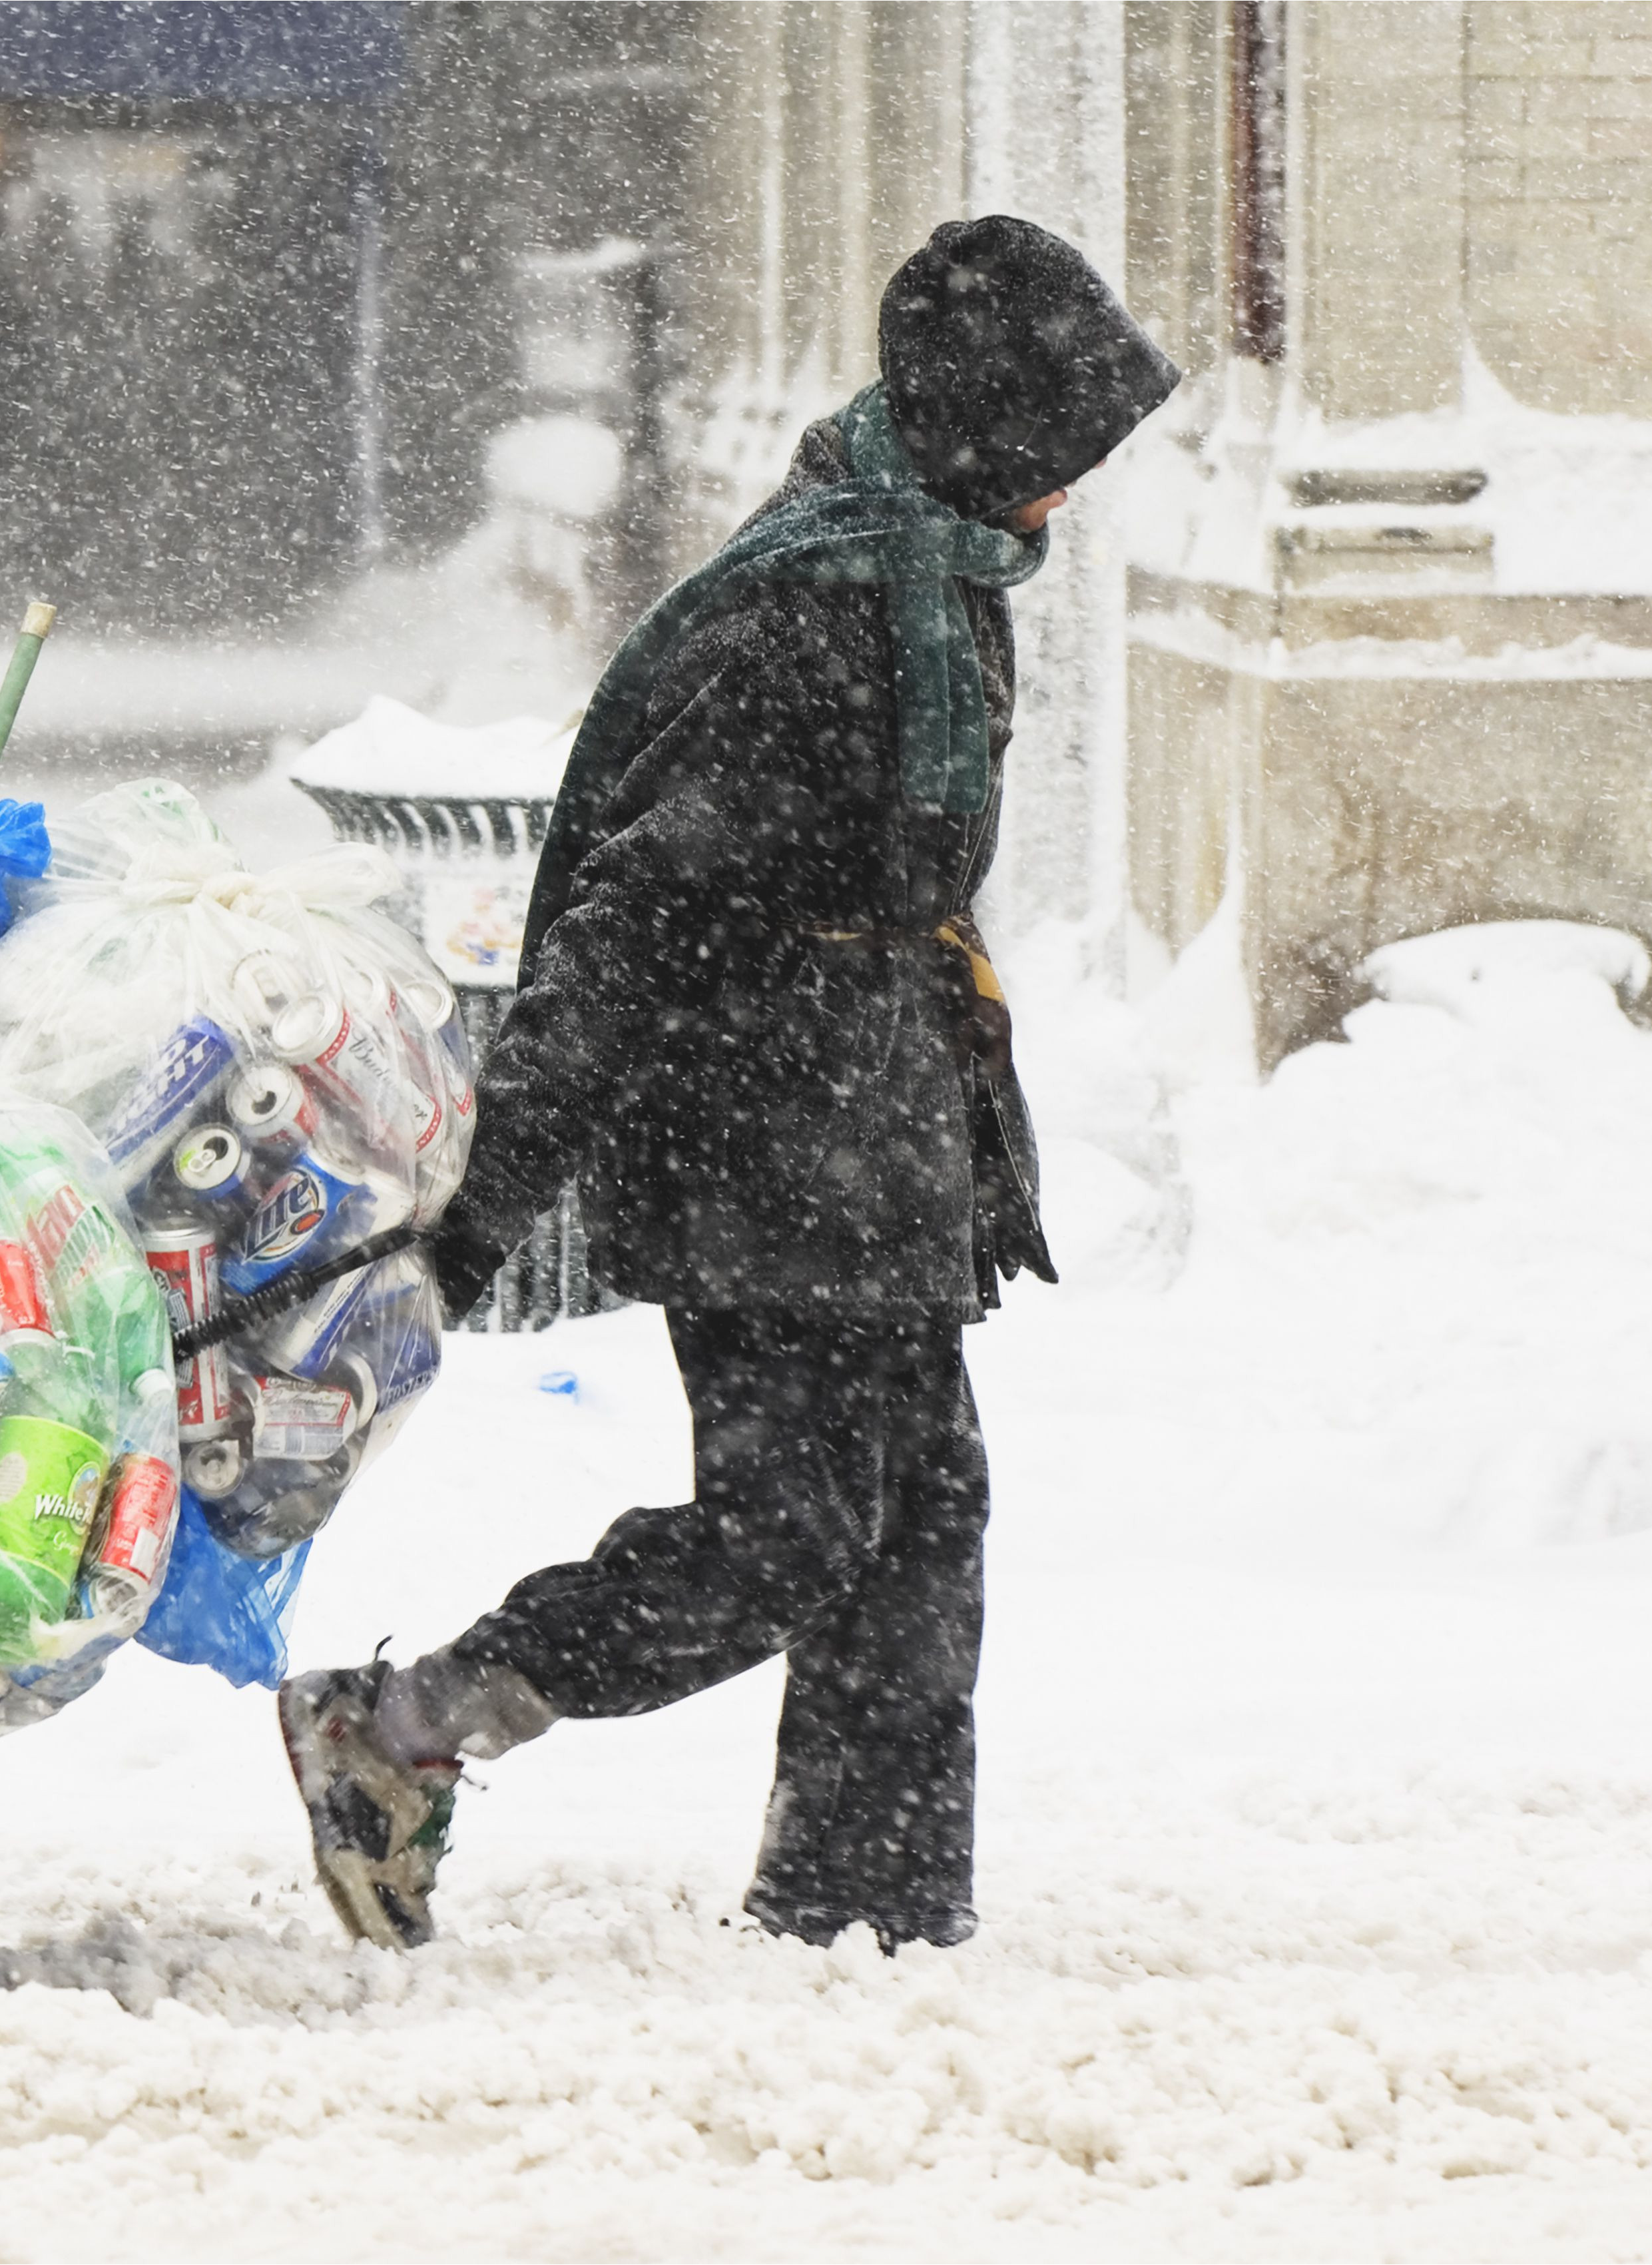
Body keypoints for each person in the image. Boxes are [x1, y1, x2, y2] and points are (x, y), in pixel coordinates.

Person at [276, 216, 1181, 1955]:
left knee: (917, 1526)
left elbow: (893, 913)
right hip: (762, 1160)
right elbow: (619, 933)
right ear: (981, 425)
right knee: (790, 1537)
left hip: (875, 1148)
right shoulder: (801, 619)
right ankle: (393, 1731)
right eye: (1053, 454)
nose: (1065, 500)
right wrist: (474, 1218)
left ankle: (866, 1899)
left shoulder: (936, 585)